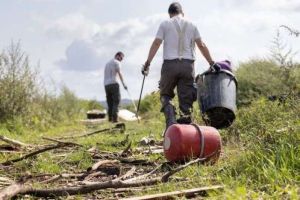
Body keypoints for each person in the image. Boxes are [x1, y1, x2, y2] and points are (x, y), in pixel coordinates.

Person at [142, 2, 215, 129]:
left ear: (170, 14)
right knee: (186, 101)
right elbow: (201, 45)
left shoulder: (165, 24)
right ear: (183, 12)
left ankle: (171, 123)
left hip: (169, 66)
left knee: (165, 95)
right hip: (188, 66)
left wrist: (147, 63)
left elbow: (156, 43)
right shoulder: (192, 24)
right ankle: (185, 133)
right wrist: (212, 62)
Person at [104, 51, 127, 123]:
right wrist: (124, 84)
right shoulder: (117, 62)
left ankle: (110, 119)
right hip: (114, 83)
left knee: (110, 102)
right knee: (116, 101)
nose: (121, 60)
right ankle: (115, 119)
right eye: (121, 58)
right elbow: (119, 73)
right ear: (117, 56)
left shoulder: (107, 63)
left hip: (106, 85)